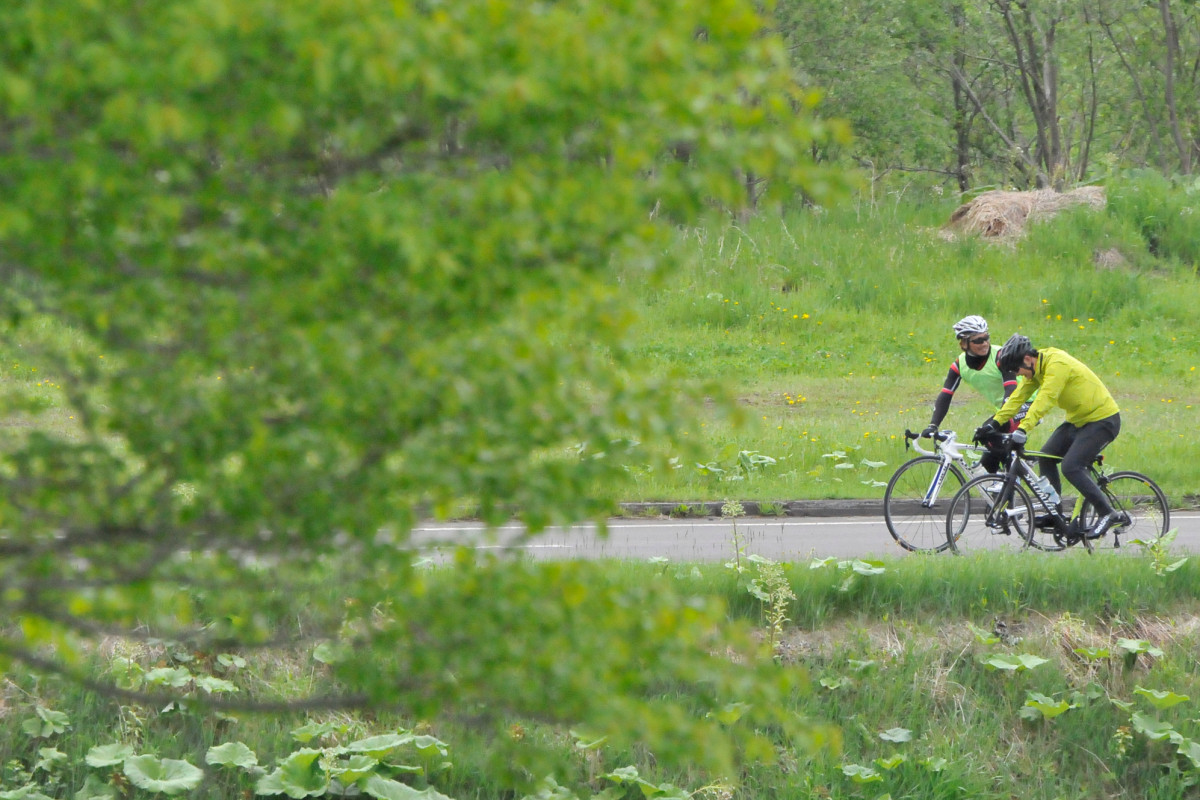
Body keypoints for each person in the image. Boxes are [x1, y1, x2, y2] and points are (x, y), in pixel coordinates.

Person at [978, 333, 1127, 541]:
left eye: (1017, 370)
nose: (1017, 375)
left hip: (1103, 420)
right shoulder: (1035, 370)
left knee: (1071, 466)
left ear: (1027, 360)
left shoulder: (1057, 364)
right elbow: (1017, 398)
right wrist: (992, 424)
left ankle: (1107, 512)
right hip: (1079, 421)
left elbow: (1045, 399)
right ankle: (1054, 512)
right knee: (1046, 457)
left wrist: (1022, 429)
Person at [921, 315, 1026, 473]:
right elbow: (945, 395)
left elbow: (1011, 390)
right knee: (987, 467)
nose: (984, 343)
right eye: (978, 340)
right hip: (1007, 409)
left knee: (989, 432)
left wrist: (999, 420)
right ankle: (1007, 481)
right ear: (964, 343)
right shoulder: (960, 364)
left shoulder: (1001, 356)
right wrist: (933, 425)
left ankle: (1013, 475)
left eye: (986, 338)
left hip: (1025, 403)